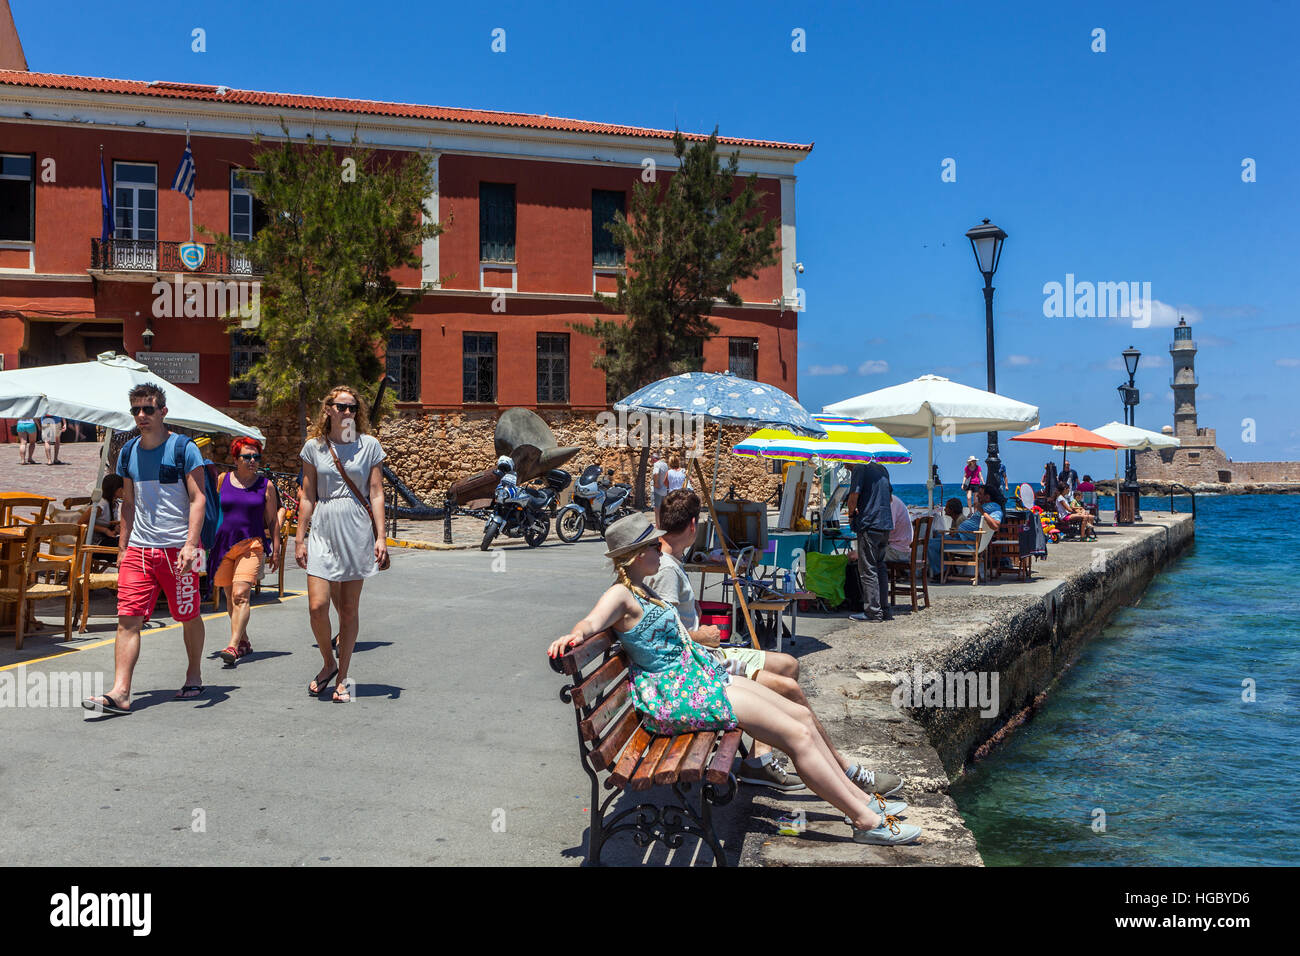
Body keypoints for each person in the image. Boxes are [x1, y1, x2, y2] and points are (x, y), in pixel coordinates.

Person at [548, 512, 920, 846]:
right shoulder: (620, 594)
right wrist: (574, 636)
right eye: (653, 545)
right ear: (633, 555)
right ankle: (864, 820)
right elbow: (592, 622)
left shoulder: (643, 588)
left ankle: (863, 802)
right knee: (797, 735)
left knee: (801, 717)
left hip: (696, 679)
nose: (661, 549)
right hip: (679, 694)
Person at [651, 490, 904, 796]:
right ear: (693, 525)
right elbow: (663, 635)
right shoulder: (666, 569)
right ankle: (844, 770)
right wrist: (700, 635)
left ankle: (759, 760)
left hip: (704, 655)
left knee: (788, 664)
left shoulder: (671, 560)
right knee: (789, 688)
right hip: (698, 662)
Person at [81, 384, 208, 715]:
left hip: (179, 551)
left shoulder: (183, 448)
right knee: (128, 619)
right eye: (136, 410)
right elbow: (128, 503)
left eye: (148, 409)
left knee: (188, 615)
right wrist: (123, 547)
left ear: (163, 412)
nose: (141, 415)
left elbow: (199, 499)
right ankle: (121, 692)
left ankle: (194, 674)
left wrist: (191, 544)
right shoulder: (128, 452)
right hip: (139, 549)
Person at [296, 386, 388, 703]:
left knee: (348, 610)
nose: (347, 412)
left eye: (352, 407)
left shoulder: (369, 445)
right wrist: (299, 537)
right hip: (323, 527)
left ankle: (343, 678)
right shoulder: (314, 448)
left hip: (356, 529)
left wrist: (381, 536)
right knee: (317, 606)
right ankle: (328, 662)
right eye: (341, 407)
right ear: (328, 410)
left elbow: (376, 492)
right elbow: (307, 495)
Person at [213, 436, 281, 665]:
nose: (253, 461)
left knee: (240, 595)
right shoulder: (222, 480)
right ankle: (243, 641)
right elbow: (213, 512)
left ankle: (232, 646)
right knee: (229, 598)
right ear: (236, 459)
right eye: (247, 457)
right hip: (224, 546)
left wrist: (276, 548)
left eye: (256, 457)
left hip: (252, 545)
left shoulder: (266, 485)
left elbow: (272, 520)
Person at [845, 459, 893, 622]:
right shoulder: (882, 469)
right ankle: (884, 609)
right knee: (880, 566)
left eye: (846, 464)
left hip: (870, 524)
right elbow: (889, 498)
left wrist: (851, 515)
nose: (845, 467)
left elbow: (853, 497)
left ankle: (873, 612)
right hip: (885, 524)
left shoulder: (859, 468)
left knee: (868, 569)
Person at [930, 484, 1003, 580]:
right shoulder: (988, 507)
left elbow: (995, 526)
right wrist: (958, 531)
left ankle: (940, 573)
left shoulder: (995, 508)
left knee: (931, 544)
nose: (977, 495)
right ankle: (948, 570)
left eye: (980, 494)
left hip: (968, 543)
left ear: (987, 497)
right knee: (937, 538)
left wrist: (982, 512)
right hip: (964, 538)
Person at [93, 474, 125, 546]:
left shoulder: (115, 504)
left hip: (106, 539)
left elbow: (107, 523)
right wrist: (105, 530)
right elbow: (82, 523)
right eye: (122, 487)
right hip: (96, 543)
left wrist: (116, 529)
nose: (124, 490)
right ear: (116, 489)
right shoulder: (101, 505)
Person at [651, 450, 668, 527]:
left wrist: (656, 483)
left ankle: (658, 526)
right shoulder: (665, 464)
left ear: (654, 459)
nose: (651, 461)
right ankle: (662, 524)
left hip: (657, 490)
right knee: (662, 508)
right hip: (664, 490)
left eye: (651, 459)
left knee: (657, 509)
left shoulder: (656, 464)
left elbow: (656, 473)